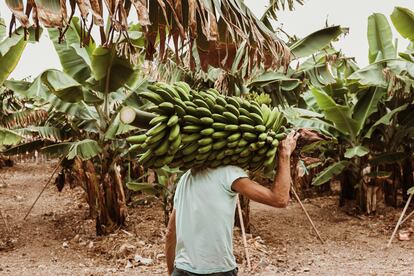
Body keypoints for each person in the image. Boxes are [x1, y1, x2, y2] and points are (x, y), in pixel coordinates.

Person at [165, 130, 312, 276]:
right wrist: (284, 155)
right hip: (219, 271)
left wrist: (172, 272)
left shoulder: (185, 179)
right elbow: (279, 199)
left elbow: (171, 232)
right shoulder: (229, 173)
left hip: (182, 270)